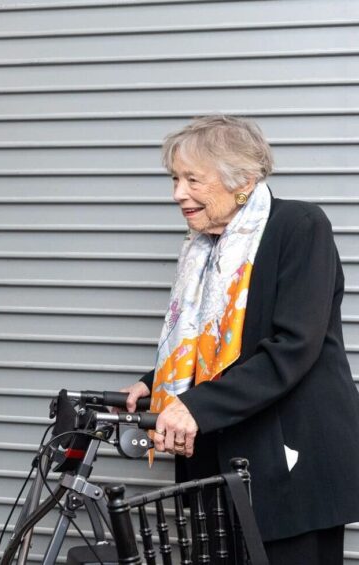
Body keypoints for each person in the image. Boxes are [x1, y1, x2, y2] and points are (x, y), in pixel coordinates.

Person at [122, 115, 359, 563]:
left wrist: (195, 406)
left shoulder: (299, 226)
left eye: (193, 179)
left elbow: (292, 347)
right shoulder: (204, 247)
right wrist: (152, 385)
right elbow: (211, 344)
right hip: (221, 466)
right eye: (175, 178)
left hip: (291, 466)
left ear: (242, 181)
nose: (178, 193)